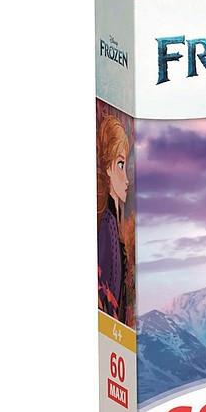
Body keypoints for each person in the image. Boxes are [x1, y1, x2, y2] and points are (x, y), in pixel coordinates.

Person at [96, 114, 131, 322]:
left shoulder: (112, 222)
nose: (126, 179)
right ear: (108, 167)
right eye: (120, 165)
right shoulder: (108, 224)